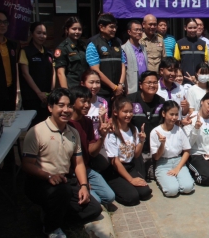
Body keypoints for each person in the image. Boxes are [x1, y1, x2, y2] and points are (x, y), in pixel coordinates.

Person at [22, 88, 101, 238]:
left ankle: (51, 216)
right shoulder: (36, 131)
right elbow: (27, 164)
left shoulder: (73, 133)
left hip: (66, 180)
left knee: (94, 209)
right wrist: (48, 176)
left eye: (69, 106)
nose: (66, 110)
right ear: (50, 107)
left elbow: (78, 163)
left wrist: (83, 185)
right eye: (61, 105)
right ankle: (51, 228)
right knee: (61, 192)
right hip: (40, 181)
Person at [68, 86, 115, 206]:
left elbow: (92, 152)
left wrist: (102, 136)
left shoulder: (87, 122)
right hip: (71, 172)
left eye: (89, 101)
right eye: (83, 101)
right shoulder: (66, 124)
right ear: (73, 102)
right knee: (97, 201)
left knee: (110, 197)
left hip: (86, 168)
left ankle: (88, 190)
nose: (87, 105)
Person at [104, 96, 152, 205]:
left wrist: (141, 141)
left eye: (131, 111)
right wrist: (131, 180)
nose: (129, 115)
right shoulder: (111, 132)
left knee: (145, 193)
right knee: (132, 198)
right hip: (115, 169)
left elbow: (135, 155)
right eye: (125, 111)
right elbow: (114, 161)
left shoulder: (133, 129)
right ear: (116, 112)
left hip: (129, 166)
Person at [150, 100, 195, 197]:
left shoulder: (179, 130)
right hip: (163, 163)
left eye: (176, 114)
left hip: (178, 161)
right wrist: (162, 144)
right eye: (171, 114)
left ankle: (178, 178)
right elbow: (156, 157)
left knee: (188, 188)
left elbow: (187, 150)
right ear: (163, 113)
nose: (174, 117)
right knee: (172, 191)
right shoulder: (155, 132)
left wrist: (177, 168)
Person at [128, 71, 166, 181]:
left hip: (154, 150)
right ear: (140, 85)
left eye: (155, 82)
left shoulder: (161, 101)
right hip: (135, 150)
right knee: (140, 179)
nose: (152, 85)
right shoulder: (131, 100)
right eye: (149, 82)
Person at [86, 13, 126, 112]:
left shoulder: (118, 42)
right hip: (102, 92)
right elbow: (95, 70)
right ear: (101, 27)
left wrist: (120, 85)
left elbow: (123, 64)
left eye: (115, 27)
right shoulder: (93, 44)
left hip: (118, 92)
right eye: (111, 27)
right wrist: (114, 87)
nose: (114, 30)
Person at [19, 22, 55, 125]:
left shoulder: (49, 53)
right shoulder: (25, 51)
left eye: (44, 33)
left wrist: (51, 91)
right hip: (32, 97)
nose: (42, 36)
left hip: (47, 97)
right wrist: (39, 93)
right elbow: (25, 74)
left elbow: (53, 72)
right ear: (32, 34)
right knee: (34, 127)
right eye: (38, 33)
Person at [55, 16, 88, 89]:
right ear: (67, 30)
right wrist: (66, 92)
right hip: (72, 87)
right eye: (74, 29)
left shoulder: (83, 45)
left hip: (84, 87)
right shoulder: (62, 48)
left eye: (79, 29)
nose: (77, 32)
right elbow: (60, 73)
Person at [174, 18, 209, 84]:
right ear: (185, 28)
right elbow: (177, 63)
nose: (192, 30)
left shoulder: (203, 43)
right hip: (185, 80)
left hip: (200, 81)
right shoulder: (179, 43)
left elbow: (206, 62)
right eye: (190, 28)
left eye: (194, 27)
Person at [122, 20, 148, 94]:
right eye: (136, 30)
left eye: (140, 30)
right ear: (129, 32)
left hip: (144, 85)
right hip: (131, 87)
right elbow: (123, 70)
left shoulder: (143, 48)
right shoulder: (123, 49)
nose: (139, 32)